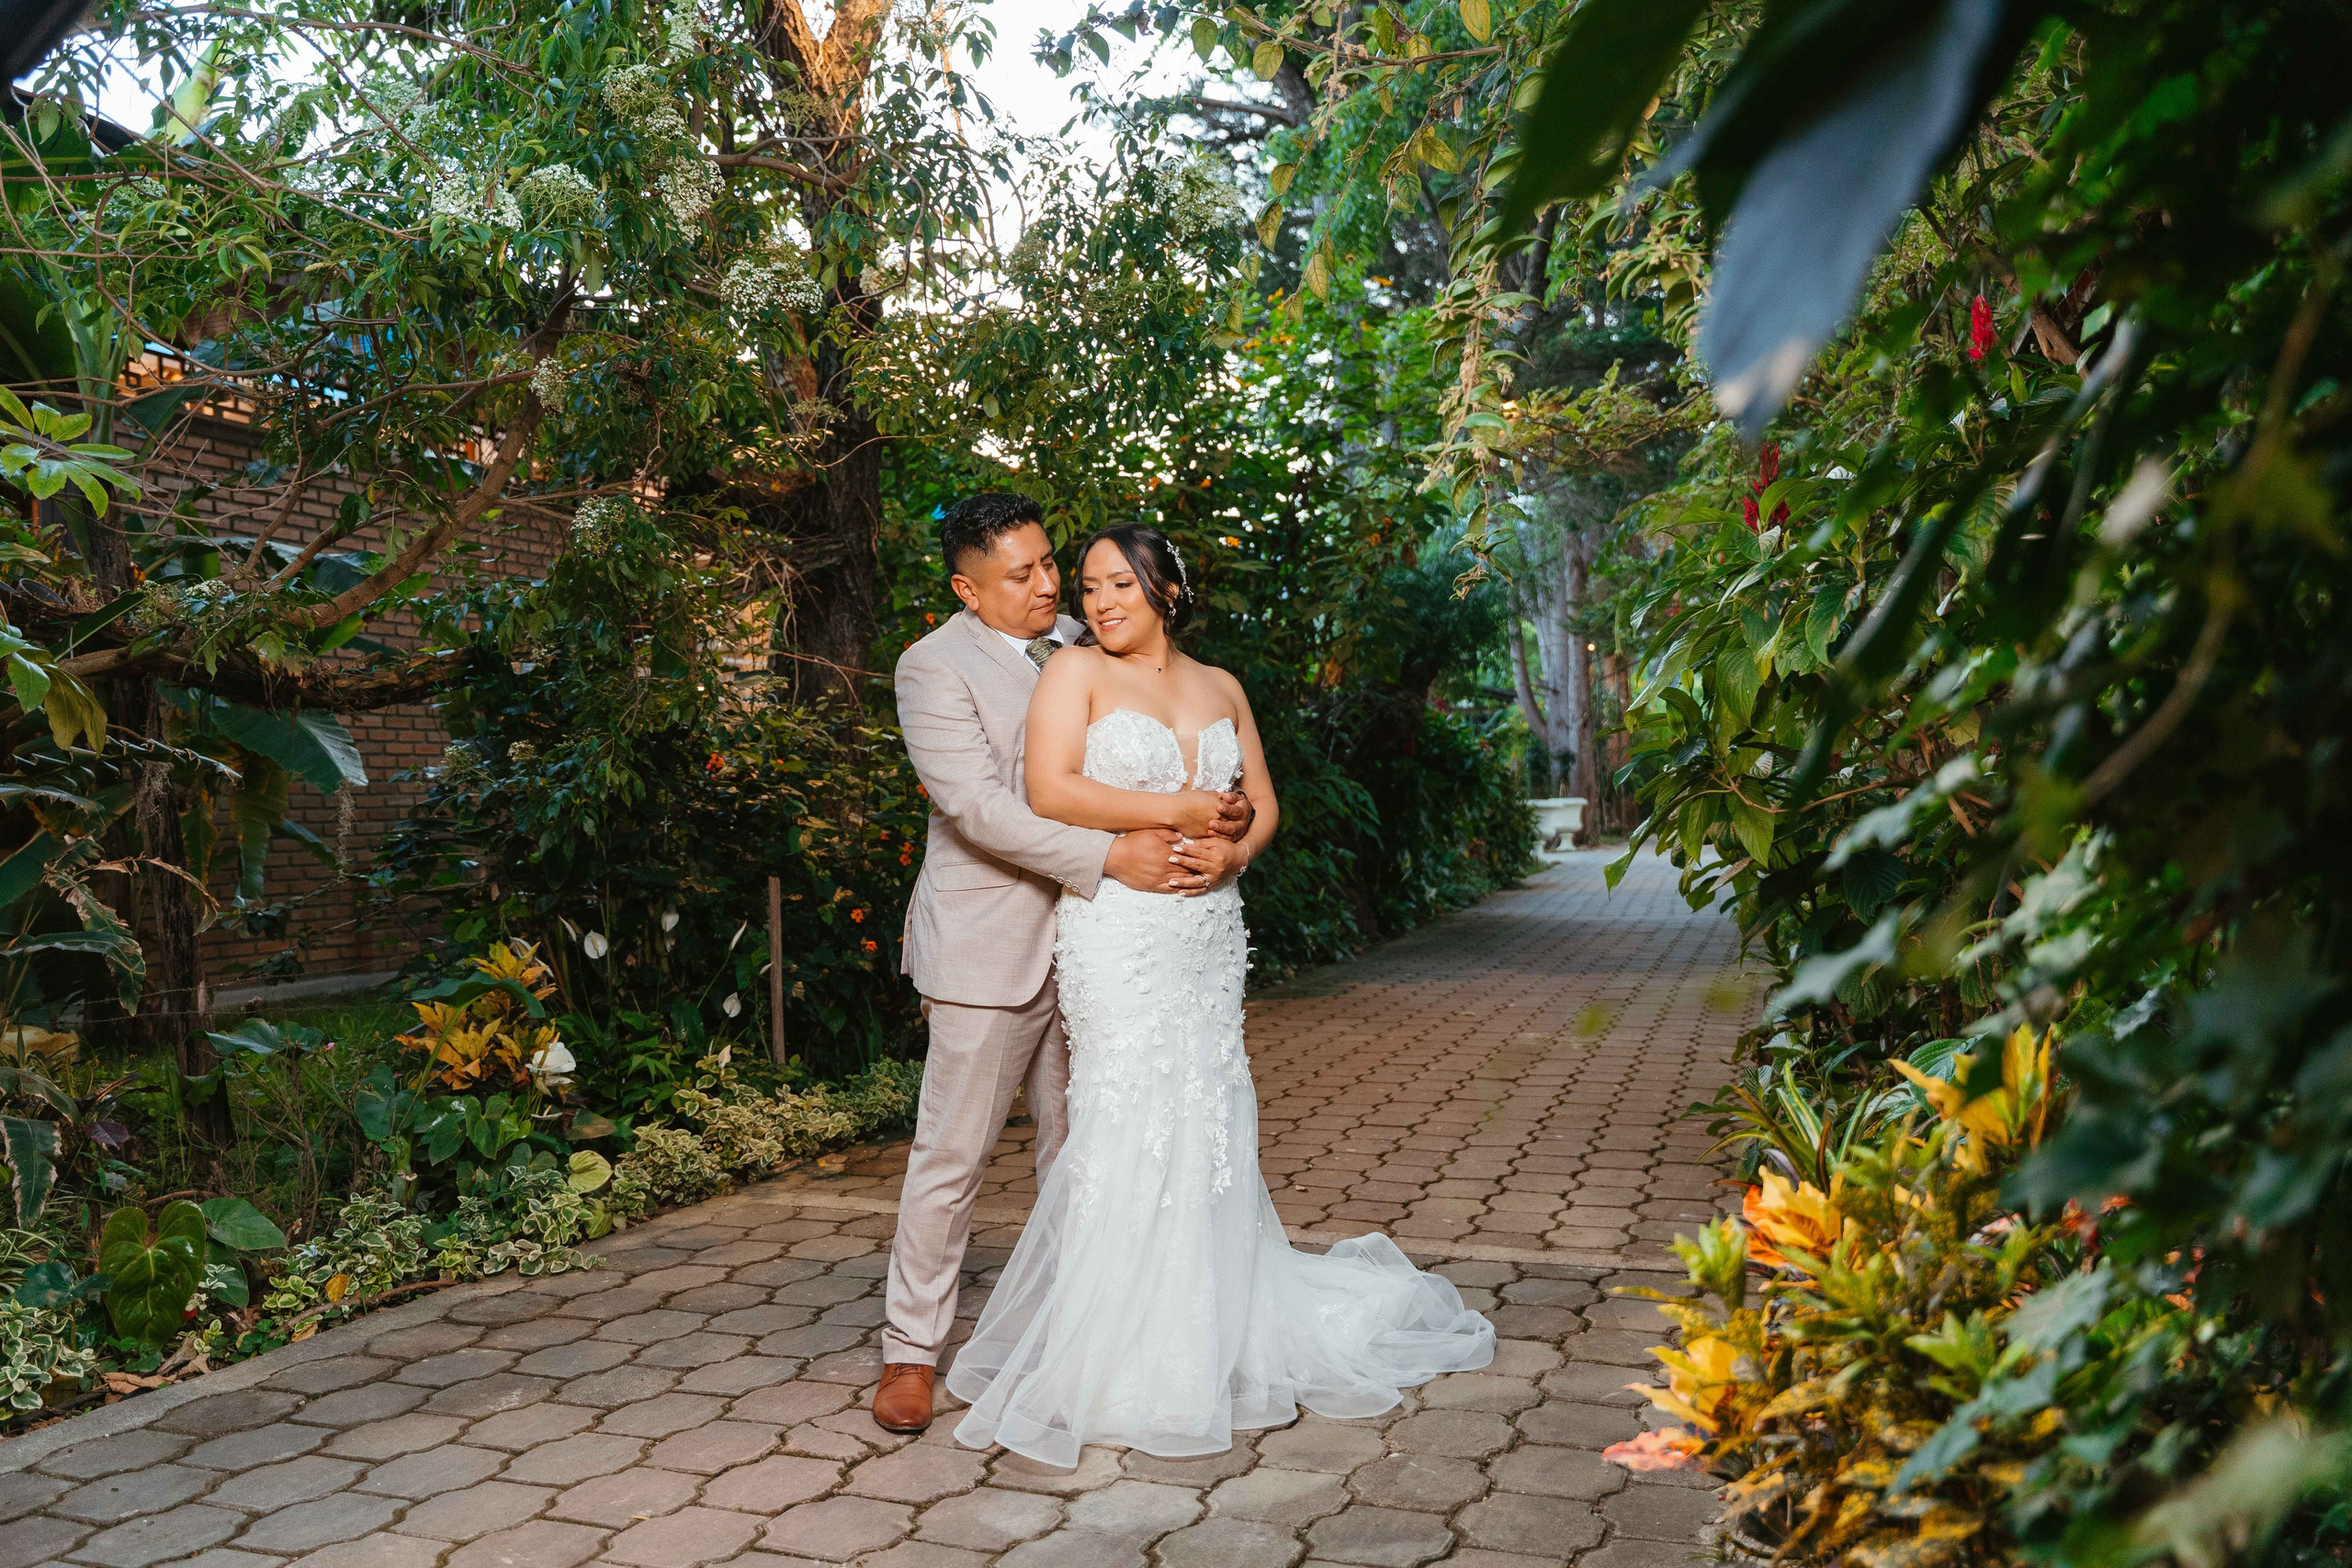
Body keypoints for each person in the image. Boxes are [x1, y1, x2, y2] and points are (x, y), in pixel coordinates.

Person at [944, 522, 1494, 1465]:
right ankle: (1119, 1348)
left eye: (1119, 583)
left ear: (1166, 588)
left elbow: (1264, 802)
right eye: (1088, 587)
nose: (1098, 602)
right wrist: (1180, 808)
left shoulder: (1221, 687)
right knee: (1125, 1111)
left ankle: (1214, 1324)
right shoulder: (1072, 674)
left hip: (1207, 934)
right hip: (1120, 929)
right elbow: (1049, 790)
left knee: (1207, 1106)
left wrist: (1236, 851)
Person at [876, 494, 1254, 1435]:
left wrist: (1228, 814)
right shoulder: (931, 667)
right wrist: (1108, 856)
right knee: (953, 1153)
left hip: (1108, 945)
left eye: (1051, 563)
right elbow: (977, 807)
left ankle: (1077, 1330)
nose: (1049, 585)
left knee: (1089, 1148)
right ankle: (910, 1350)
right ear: (967, 589)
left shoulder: (1092, 639)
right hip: (991, 940)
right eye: (1022, 574)